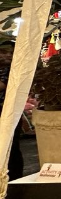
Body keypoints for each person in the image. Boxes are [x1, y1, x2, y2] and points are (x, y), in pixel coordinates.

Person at [0, 49, 24, 181]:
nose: (8, 55)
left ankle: (15, 179)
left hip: (10, 111)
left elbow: (2, 86)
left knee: (11, 145)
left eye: (11, 52)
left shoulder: (14, 69)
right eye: (4, 52)